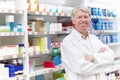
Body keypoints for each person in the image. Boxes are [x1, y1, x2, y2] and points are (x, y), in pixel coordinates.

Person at [61, 6, 115, 80]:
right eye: (79, 17)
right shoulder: (68, 42)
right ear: (73, 21)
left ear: (89, 20)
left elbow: (111, 56)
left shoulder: (94, 38)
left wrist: (93, 57)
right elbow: (81, 68)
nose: (83, 20)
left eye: (86, 17)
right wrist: (104, 64)